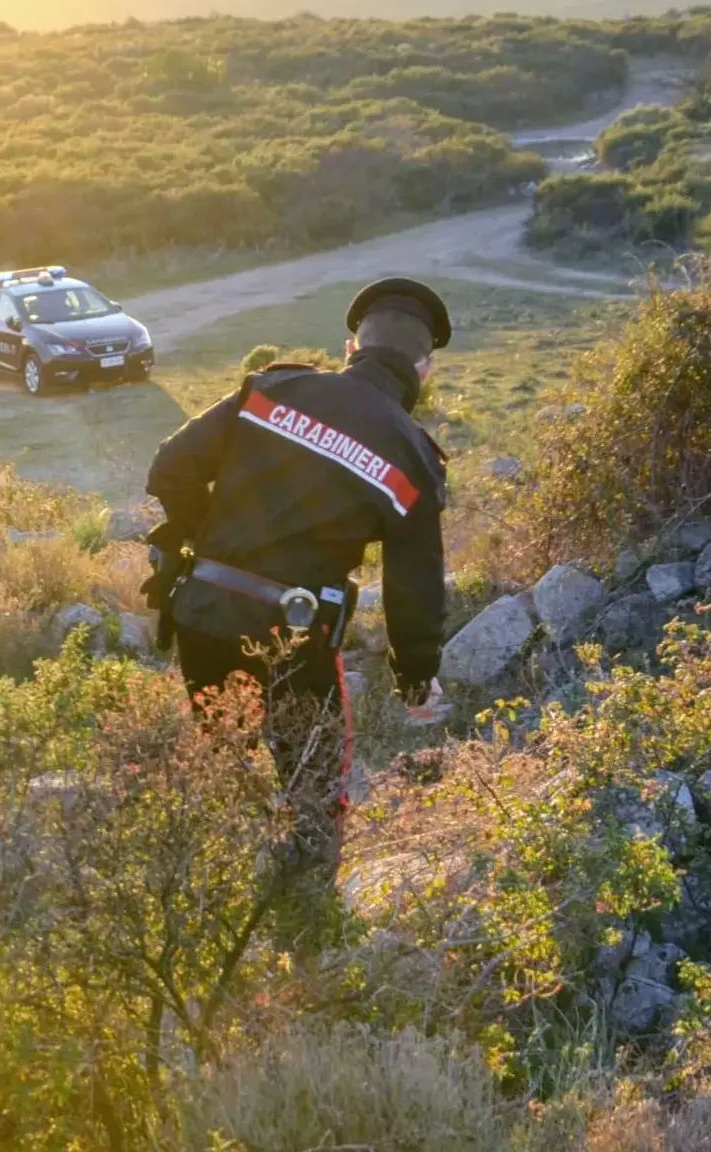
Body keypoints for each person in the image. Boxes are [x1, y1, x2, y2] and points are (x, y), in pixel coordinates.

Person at [142, 277, 450, 954]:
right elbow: (414, 583)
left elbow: (169, 468)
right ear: (424, 368)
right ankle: (308, 941)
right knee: (312, 787)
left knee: (218, 760)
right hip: (293, 636)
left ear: (351, 347)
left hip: (202, 613)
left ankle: (192, 911)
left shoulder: (270, 390)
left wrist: (207, 541)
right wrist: (416, 668)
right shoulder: (412, 456)